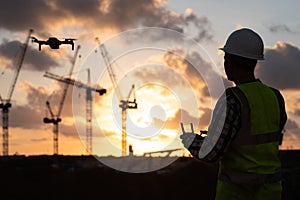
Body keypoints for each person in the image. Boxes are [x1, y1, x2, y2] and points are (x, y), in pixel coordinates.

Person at [180, 28, 287, 200]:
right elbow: (260, 135)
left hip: (237, 193)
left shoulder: (232, 100)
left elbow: (211, 153)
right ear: (254, 62)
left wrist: (191, 140)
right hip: (271, 192)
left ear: (228, 61)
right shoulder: (275, 97)